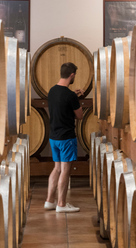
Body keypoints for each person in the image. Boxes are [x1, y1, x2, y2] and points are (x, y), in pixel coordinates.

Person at [44, 62, 85, 213]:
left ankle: (49, 201)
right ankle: (61, 203)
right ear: (72, 75)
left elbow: (62, 103)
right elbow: (79, 116)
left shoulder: (52, 91)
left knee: (56, 168)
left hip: (54, 137)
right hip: (67, 138)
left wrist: (74, 96)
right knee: (65, 171)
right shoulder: (71, 96)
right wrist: (76, 99)